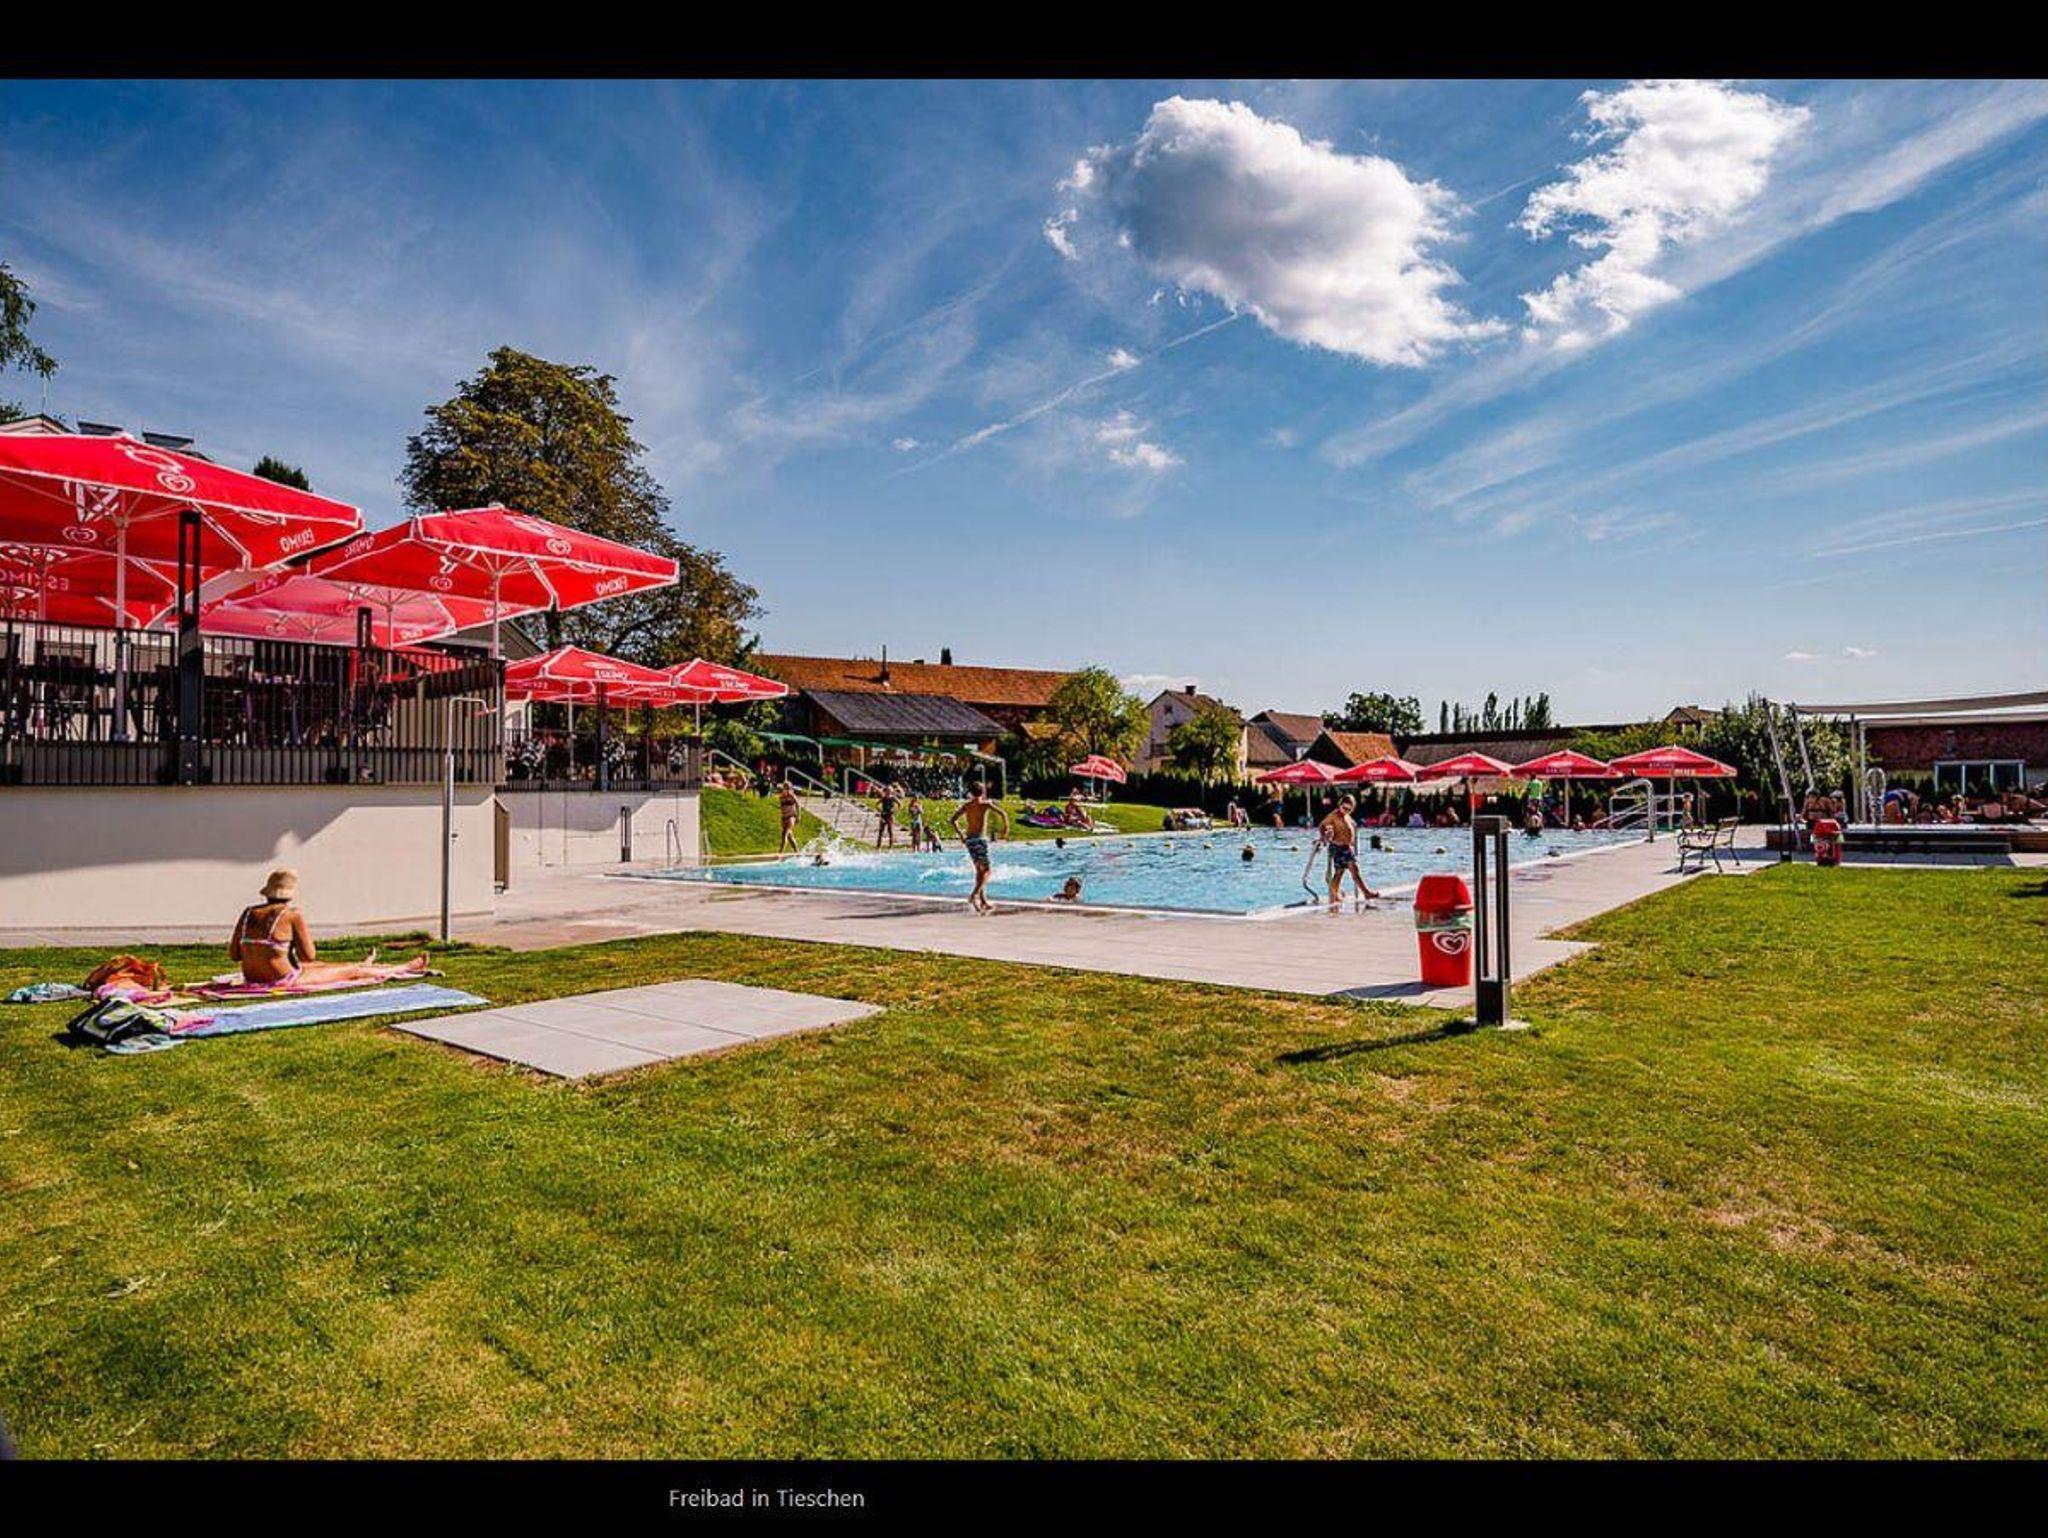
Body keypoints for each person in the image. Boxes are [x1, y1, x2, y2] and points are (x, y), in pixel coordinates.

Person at [229, 869, 428, 988]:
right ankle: (403, 968)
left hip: (251, 977)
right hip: (281, 979)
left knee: (323, 966)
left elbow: (235, 955)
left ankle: (367, 964)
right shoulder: (292, 915)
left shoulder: (248, 913)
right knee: (350, 971)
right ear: (290, 894)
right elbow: (308, 956)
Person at [948, 783, 1011, 914]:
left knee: (979, 871)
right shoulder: (985, 804)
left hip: (969, 840)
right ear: (983, 792)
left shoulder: (967, 805)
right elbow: (1003, 813)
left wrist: (961, 835)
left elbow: (953, 820)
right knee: (987, 871)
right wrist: (1005, 829)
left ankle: (983, 901)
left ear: (971, 793)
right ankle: (974, 895)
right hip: (980, 840)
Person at [1316, 794, 1378, 908]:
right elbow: (1322, 826)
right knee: (1352, 869)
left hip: (1346, 847)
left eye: (1349, 809)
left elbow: (1351, 827)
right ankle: (1365, 893)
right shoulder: (1334, 815)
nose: (1346, 811)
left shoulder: (1347, 816)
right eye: (1344, 808)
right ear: (1340, 805)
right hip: (1338, 847)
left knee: (1340, 872)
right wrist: (1323, 838)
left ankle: (1335, 895)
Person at [778, 780, 802, 852]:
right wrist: (782, 817)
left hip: (791, 817)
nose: (787, 790)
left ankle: (780, 853)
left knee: (784, 834)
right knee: (790, 837)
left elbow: (798, 805)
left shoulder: (792, 796)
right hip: (784, 817)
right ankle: (797, 851)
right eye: (786, 788)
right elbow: (782, 808)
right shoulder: (781, 797)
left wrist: (798, 816)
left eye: (788, 788)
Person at [875, 780, 900, 849]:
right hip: (884, 815)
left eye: (890, 790)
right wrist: (880, 810)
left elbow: (900, 804)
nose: (888, 792)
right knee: (881, 830)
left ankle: (891, 845)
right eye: (887, 790)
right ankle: (878, 845)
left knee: (890, 830)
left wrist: (894, 810)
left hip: (890, 815)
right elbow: (877, 804)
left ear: (891, 791)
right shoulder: (884, 798)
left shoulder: (893, 798)